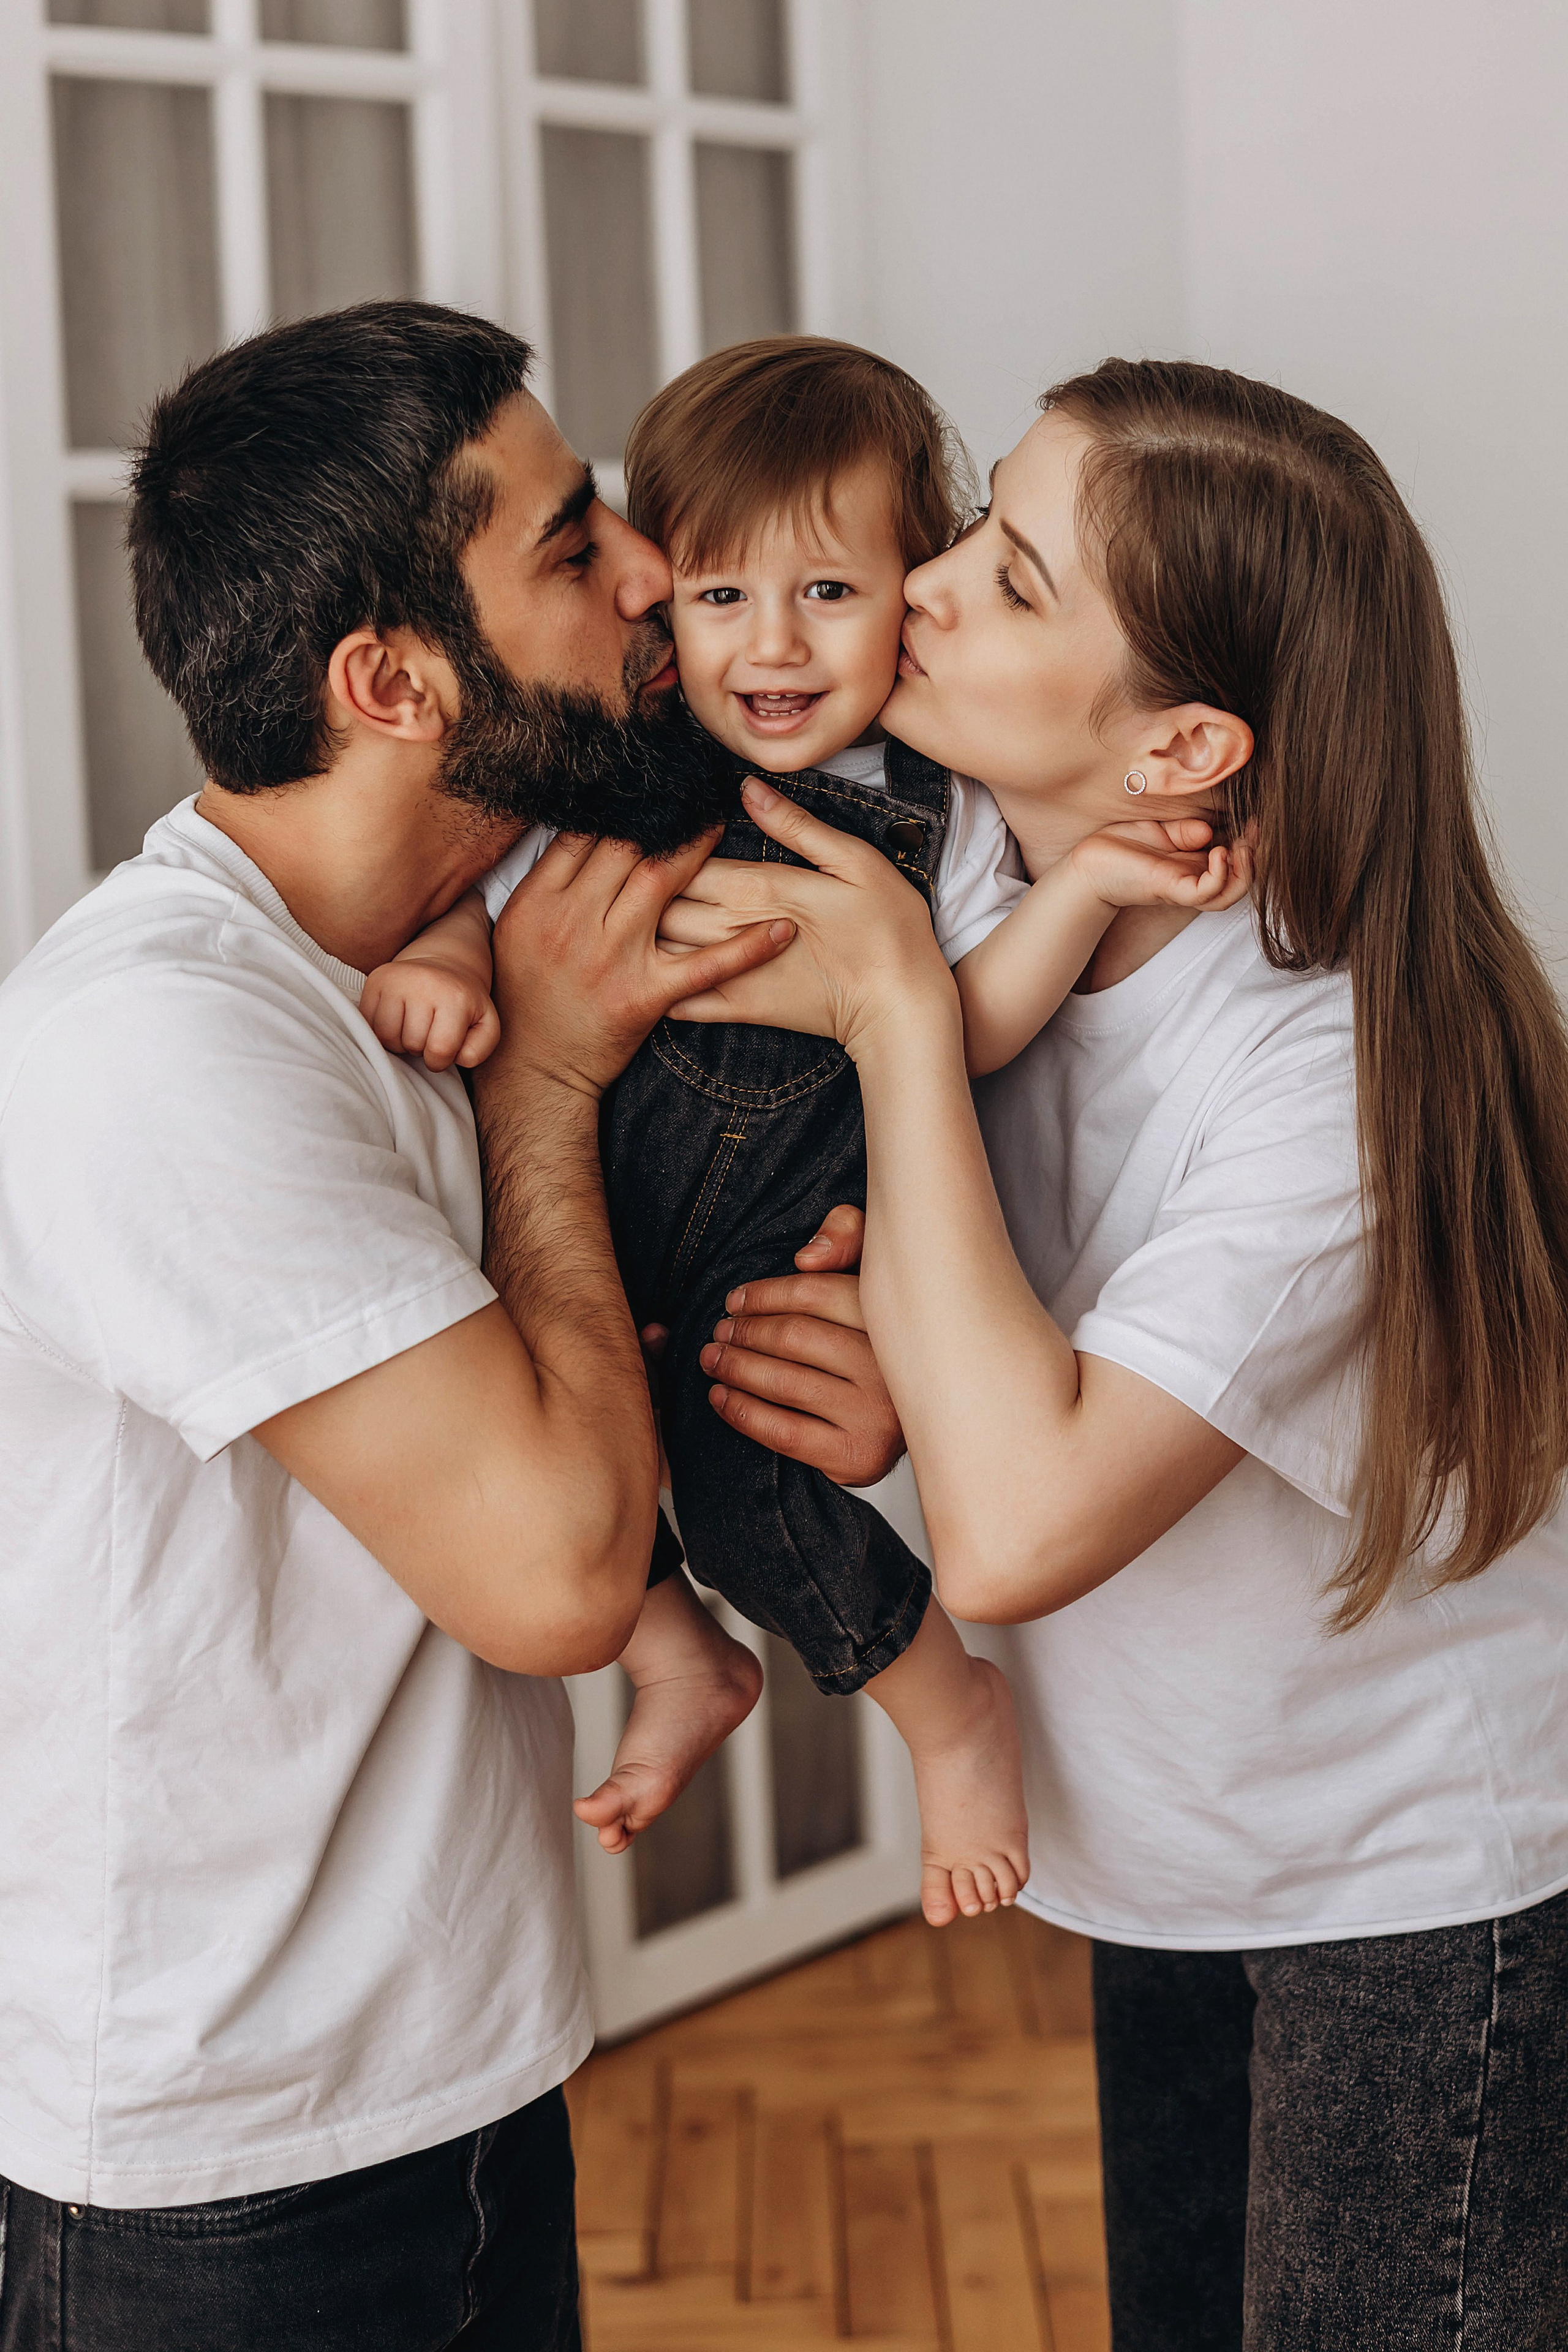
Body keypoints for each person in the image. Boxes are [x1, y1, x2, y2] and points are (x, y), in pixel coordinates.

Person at [636, 360, 1568, 2346]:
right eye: (978, 529)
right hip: (1158, 1847)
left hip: (1407, 1893)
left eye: (1013, 577)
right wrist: (911, 1402)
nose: (931, 588)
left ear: (1185, 745)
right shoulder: (971, 862)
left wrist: (892, 1010)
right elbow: (984, 1388)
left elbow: (1013, 1535)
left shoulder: (1325, 1070)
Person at [0, 300, 823, 2351]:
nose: (653, 578)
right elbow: (551, 1572)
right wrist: (541, 1083)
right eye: (570, 549)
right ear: (387, 680)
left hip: (458, 2064)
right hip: (218, 2166)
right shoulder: (157, 1043)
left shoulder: (484, 922)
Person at [366, 336, 1248, 1929]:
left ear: (911, 592)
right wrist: (432, 961)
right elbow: (475, 908)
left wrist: (1092, 889)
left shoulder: (944, 814)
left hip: (772, 1261)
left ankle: (945, 1713)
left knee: (753, 1509)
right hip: (598, 1234)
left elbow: (963, 1026)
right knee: (550, 1432)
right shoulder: (614, 769)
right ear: (662, 609)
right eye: (720, 598)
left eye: (829, 595)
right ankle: (671, 1656)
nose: (771, 645)